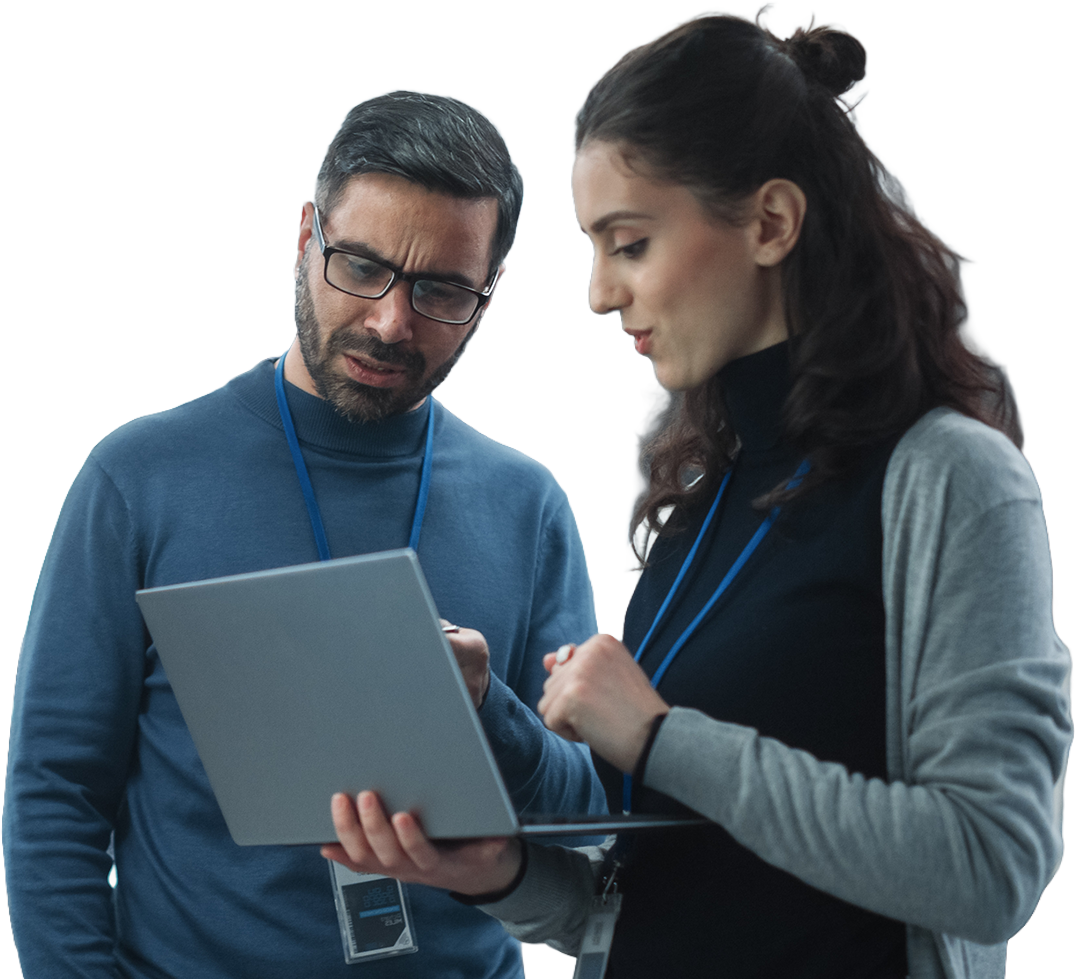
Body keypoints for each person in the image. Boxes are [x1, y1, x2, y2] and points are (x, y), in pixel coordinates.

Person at [322, 17, 1074, 979]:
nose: (598, 291)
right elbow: (662, 893)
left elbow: (991, 869)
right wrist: (499, 872)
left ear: (769, 223)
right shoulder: (693, 512)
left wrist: (660, 736)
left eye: (628, 244)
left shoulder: (950, 480)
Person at [1, 90, 607, 979]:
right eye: (359, 266)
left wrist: (485, 711)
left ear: (487, 294)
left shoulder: (526, 507)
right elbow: (54, 795)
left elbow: (581, 810)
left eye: (441, 290)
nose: (391, 321)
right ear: (305, 236)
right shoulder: (137, 479)